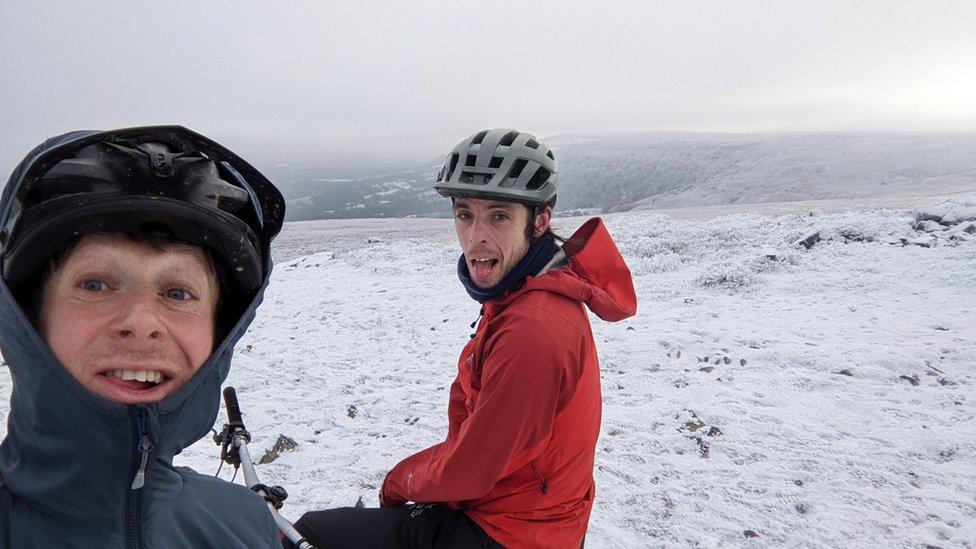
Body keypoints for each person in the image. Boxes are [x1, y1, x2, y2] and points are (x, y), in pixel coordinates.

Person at [292, 129, 637, 549]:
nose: (476, 238)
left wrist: (400, 482)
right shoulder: (524, 292)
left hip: (513, 531)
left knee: (309, 533)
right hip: (531, 512)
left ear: (540, 220)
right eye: (464, 214)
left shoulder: (534, 328)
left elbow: (474, 467)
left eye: (499, 216)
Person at [0, 126, 286, 547]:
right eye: (95, 285)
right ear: (30, 317)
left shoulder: (246, 526)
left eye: (177, 292)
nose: (140, 321)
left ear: (217, 333)